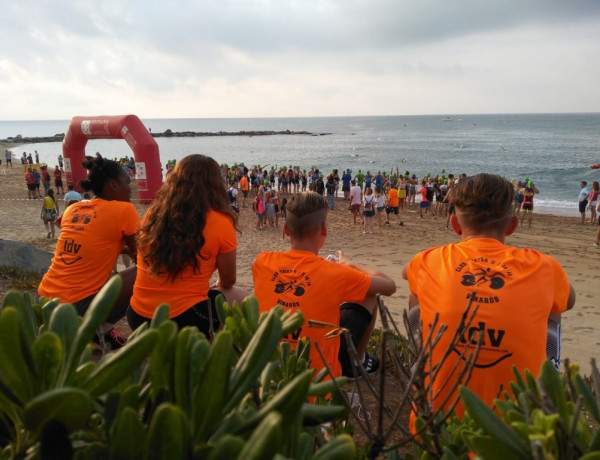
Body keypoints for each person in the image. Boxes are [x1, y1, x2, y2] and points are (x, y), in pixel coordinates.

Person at [402, 173, 575, 422]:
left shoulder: (429, 259)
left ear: (455, 224)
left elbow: (405, 272)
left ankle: (422, 360)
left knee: (417, 293)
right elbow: (570, 301)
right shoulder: (545, 266)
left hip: (435, 427)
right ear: (512, 225)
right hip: (518, 432)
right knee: (554, 308)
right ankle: (549, 371)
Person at [252, 192, 396, 379]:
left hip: (270, 375)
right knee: (369, 294)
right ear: (324, 229)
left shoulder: (261, 262)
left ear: (286, 229)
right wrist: (349, 264)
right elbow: (389, 286)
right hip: (321, 384)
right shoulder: (335, 273)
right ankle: (356, 362)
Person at [127, 154, 248, 337]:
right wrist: (216, 285)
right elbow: (228, 279)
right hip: (186, 318)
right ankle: (213, 350)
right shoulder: (220, 221)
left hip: (139, 316)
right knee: (243, 298)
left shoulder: (154, 213)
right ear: (215, 185)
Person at [38, 154, 139, 349]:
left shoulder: (73, 209)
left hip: (43, 298)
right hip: (75, 307)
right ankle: (102, 330)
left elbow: (66, 228)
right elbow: (143, 254)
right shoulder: (124, 210)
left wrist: (112, 246)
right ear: (113, 185)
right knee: (146, 270)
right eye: (127, 183)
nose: (131, 189)